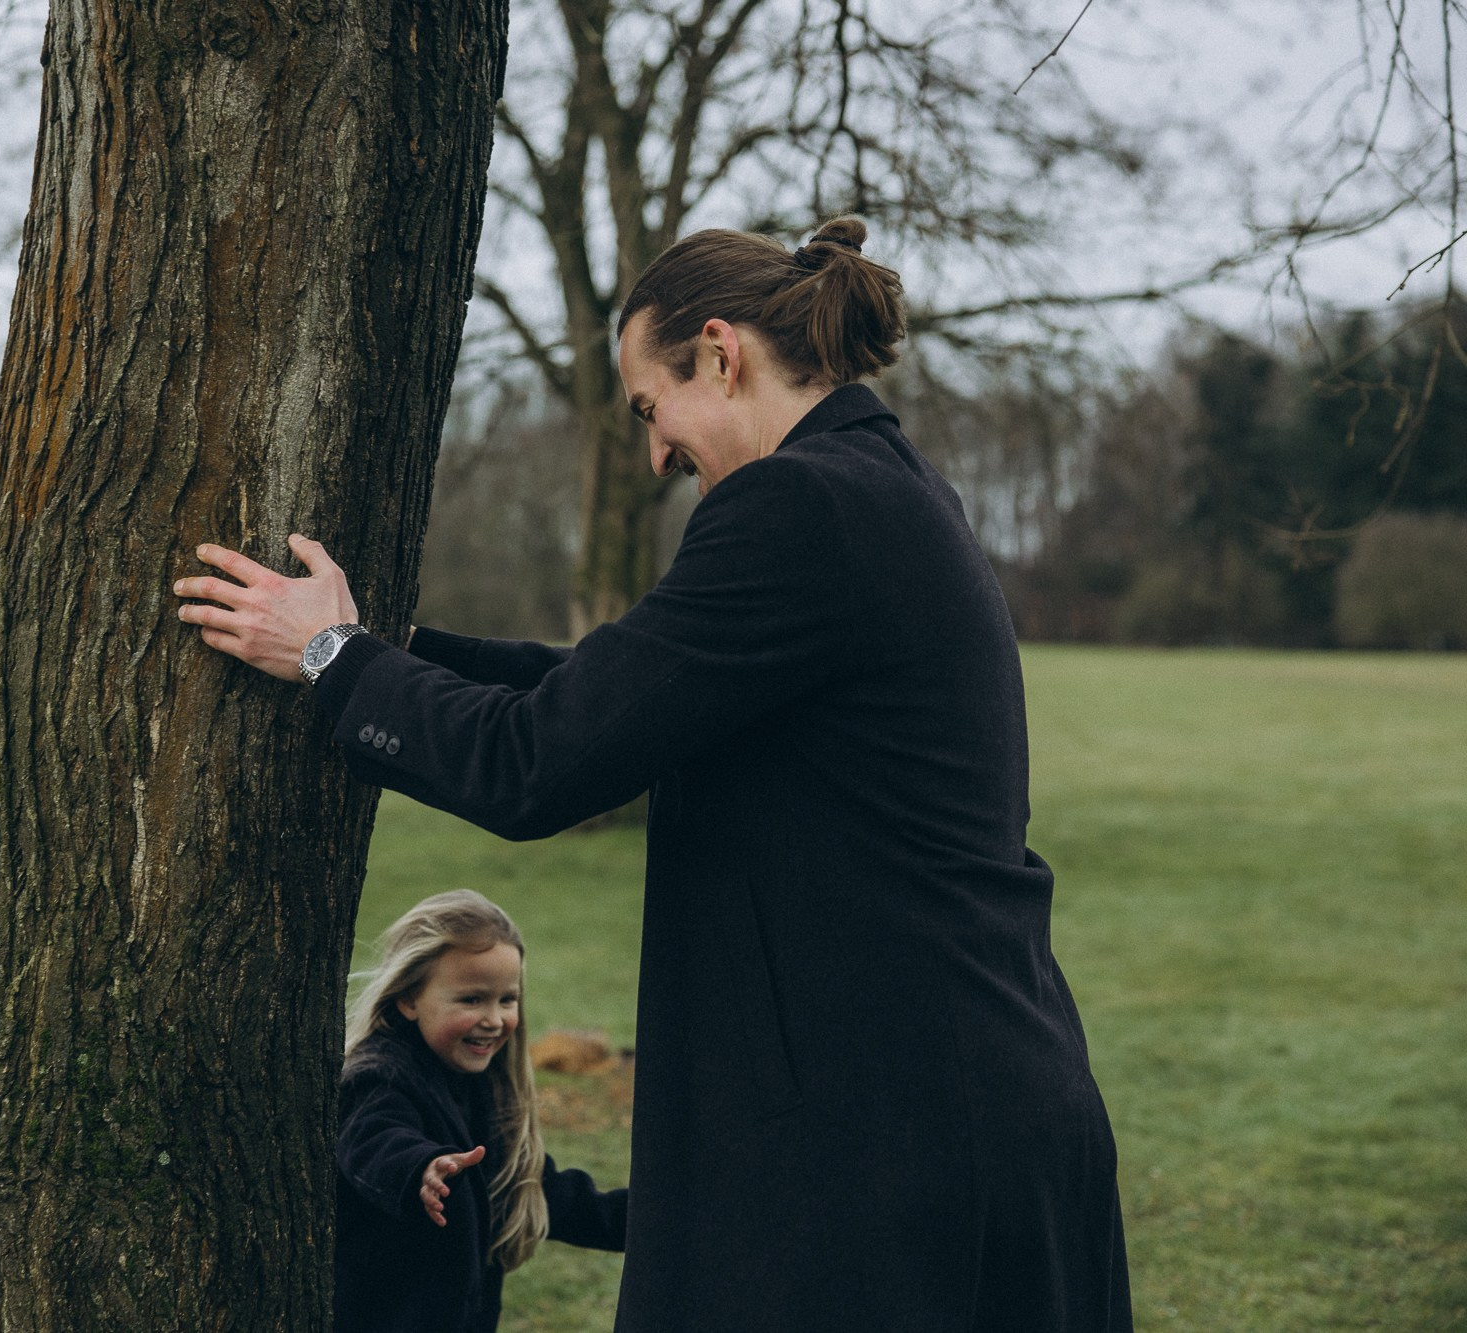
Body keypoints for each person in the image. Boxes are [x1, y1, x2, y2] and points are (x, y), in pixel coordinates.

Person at [174, 218, 1134, 1330]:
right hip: (951, 1113)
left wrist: (332, 661)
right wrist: (385, 644)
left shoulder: (796, 507)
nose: (655, 454)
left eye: (648, 407)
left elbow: (534, 761)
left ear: (719, 354)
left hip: (886, 1150)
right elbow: (608, 691)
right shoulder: (882, 488)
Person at [335, 889, 627, 1333]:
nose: (494, 1019)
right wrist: (420, 1170)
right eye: (472, 1000)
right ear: (409, 999)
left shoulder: (484, 1087)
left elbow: (532, 1187)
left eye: (506, 999)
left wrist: (642, 1220)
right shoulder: (379, 1075)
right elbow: (374, 1139)